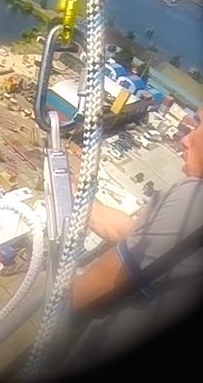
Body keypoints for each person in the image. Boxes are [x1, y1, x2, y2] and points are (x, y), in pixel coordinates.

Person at [62, 108, 203, 375]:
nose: (185, 140)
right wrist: (74, 190)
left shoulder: (194, 200)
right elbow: (126, 231)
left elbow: (91, 288)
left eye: (199, 127)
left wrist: (47, 323)